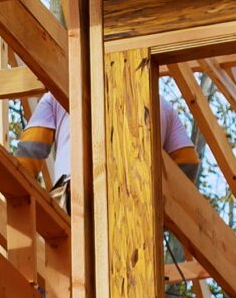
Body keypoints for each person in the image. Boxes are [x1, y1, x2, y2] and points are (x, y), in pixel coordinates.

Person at [13, 88, 200, 212]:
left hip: (74, 194)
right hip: (137, 204)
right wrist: (163, 210)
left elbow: (29, 153)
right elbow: (188, 163)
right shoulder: (161, 104)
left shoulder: (58, 91)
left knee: (70, 265)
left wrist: (16, 201)